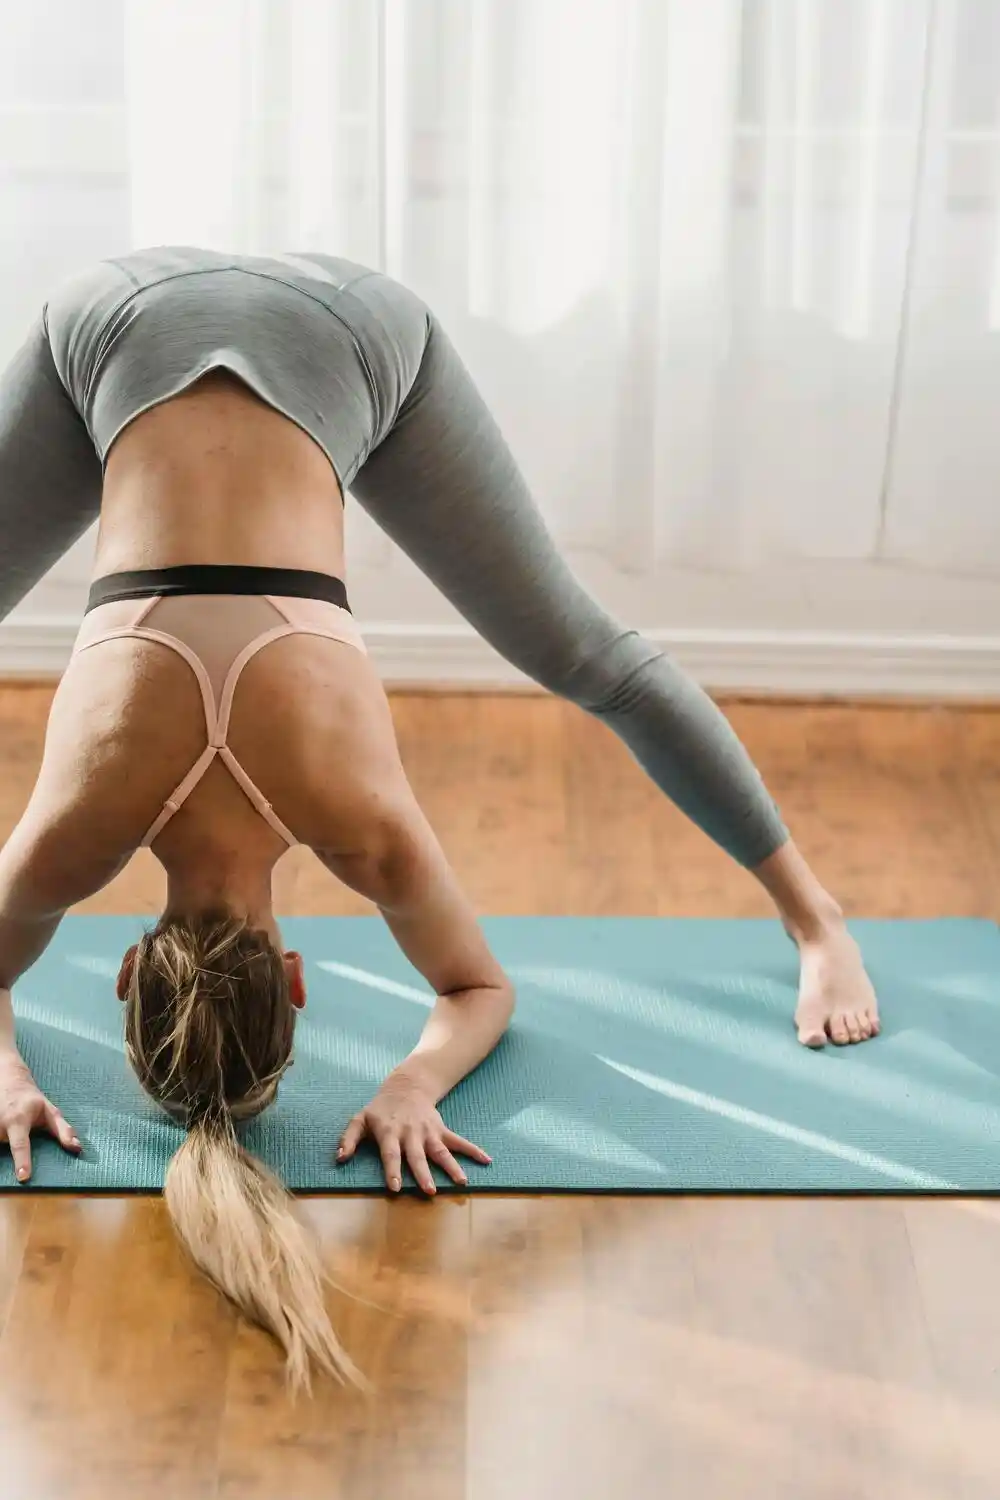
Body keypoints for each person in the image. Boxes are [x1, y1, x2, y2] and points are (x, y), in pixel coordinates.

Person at [0, 246, 879, 1390]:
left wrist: (410, 1084)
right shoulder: (80, 827)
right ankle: (809, 917)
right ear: (126, 970)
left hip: (347, 340)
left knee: (587, 659)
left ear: (303, 982)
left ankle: (821, 929)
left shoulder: (363, 829)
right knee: (586, 656)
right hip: (124, 320)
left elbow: (479, 990)